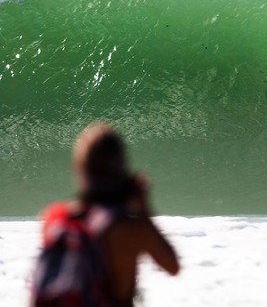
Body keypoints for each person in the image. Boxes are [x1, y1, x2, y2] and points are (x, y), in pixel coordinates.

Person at [35, 122, 180, 306]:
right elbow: (172, 266)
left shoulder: (54, 218)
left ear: (79, 167)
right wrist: (143, 209)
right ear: (122, 167)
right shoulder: (126, 227)